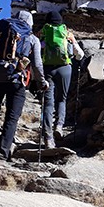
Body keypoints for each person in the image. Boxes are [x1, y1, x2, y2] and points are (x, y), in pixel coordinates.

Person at [0, 10, 47, 166]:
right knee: (11, 118)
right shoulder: (32, 38)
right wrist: (42, 81)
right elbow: (37, 64)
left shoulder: (2, 32)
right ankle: (0, 157)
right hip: (17, 80)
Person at [39, 10, 84, 148]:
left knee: (48, 103)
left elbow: (38, 48)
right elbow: (79, 54)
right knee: (62, 99)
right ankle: (59, 125)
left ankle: (48, 138)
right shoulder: (67, 34)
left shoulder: (44, 33)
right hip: (65, 68)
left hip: (48, 69)